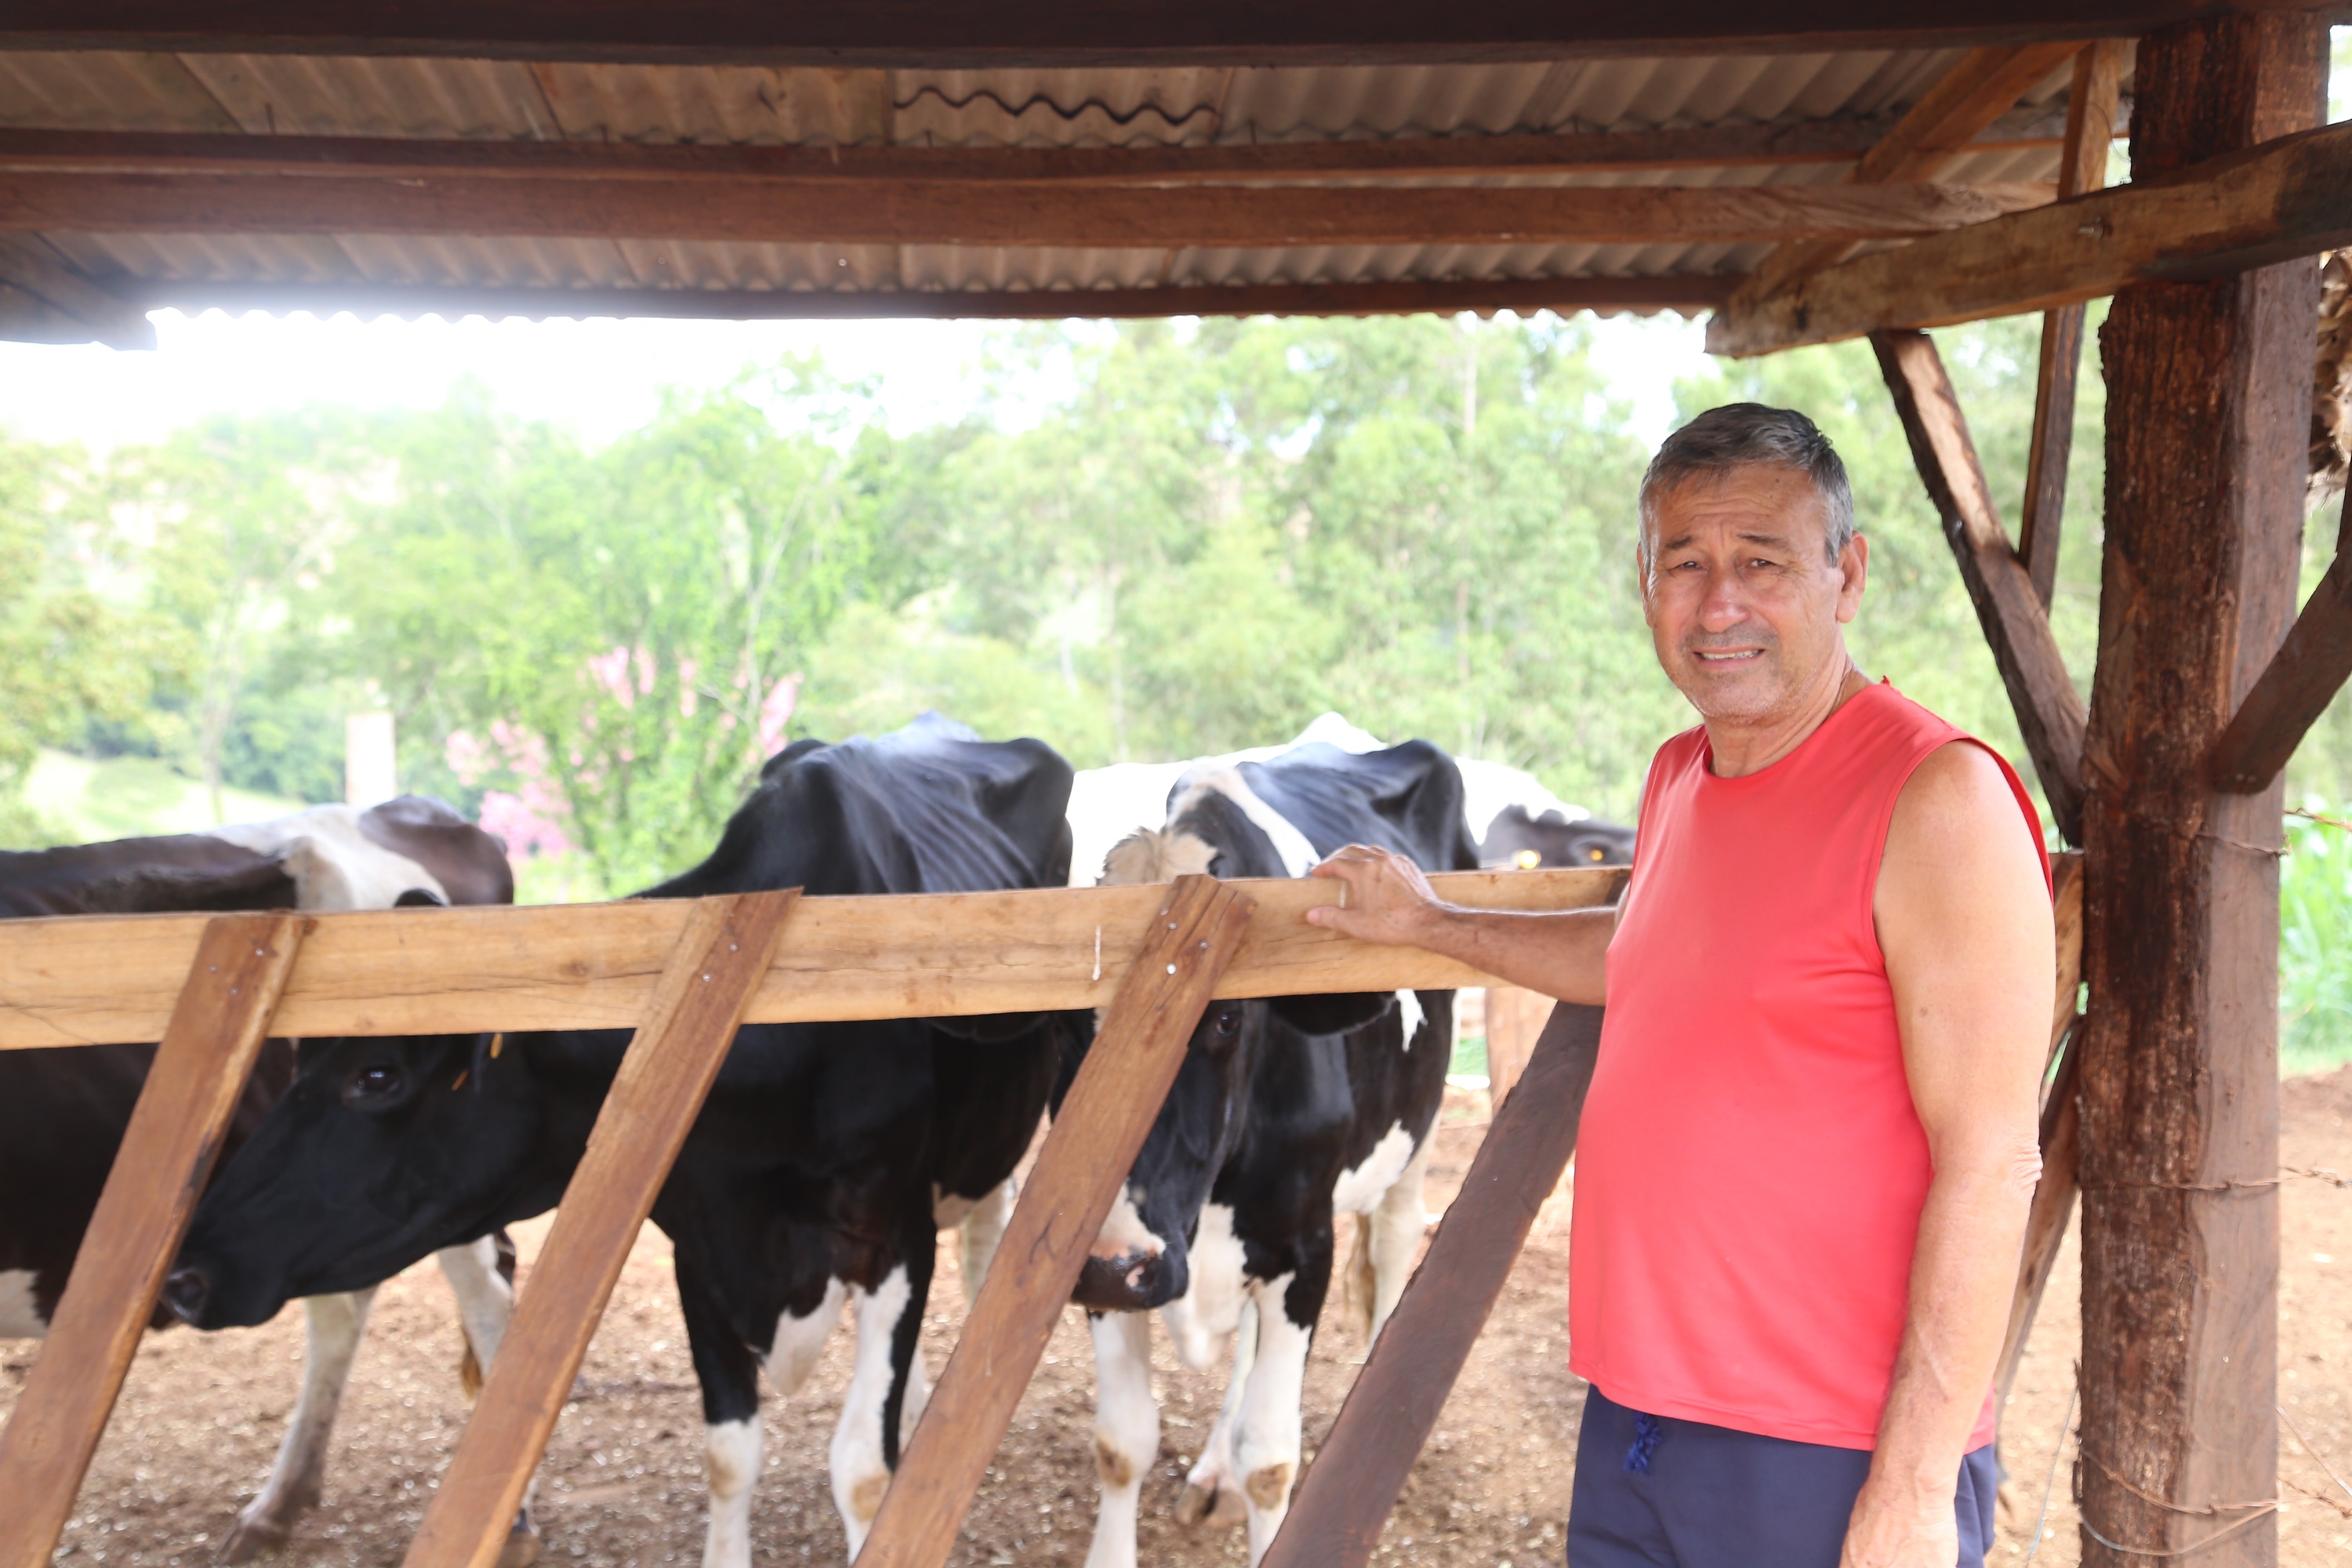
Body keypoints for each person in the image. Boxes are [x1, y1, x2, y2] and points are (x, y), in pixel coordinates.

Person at [1307, 404, 2054, 1568]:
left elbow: (1992, 1162)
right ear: (1644, 582)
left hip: (1824, 1445)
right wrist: (1432, 925)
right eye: (1685, 564)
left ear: (1848, 575)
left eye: (1763, 563)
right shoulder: (1682, 773)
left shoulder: (1935, 797)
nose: (1719, 606)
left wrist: (1911, 1491)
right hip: (1638, 1417)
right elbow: (1643, 954)